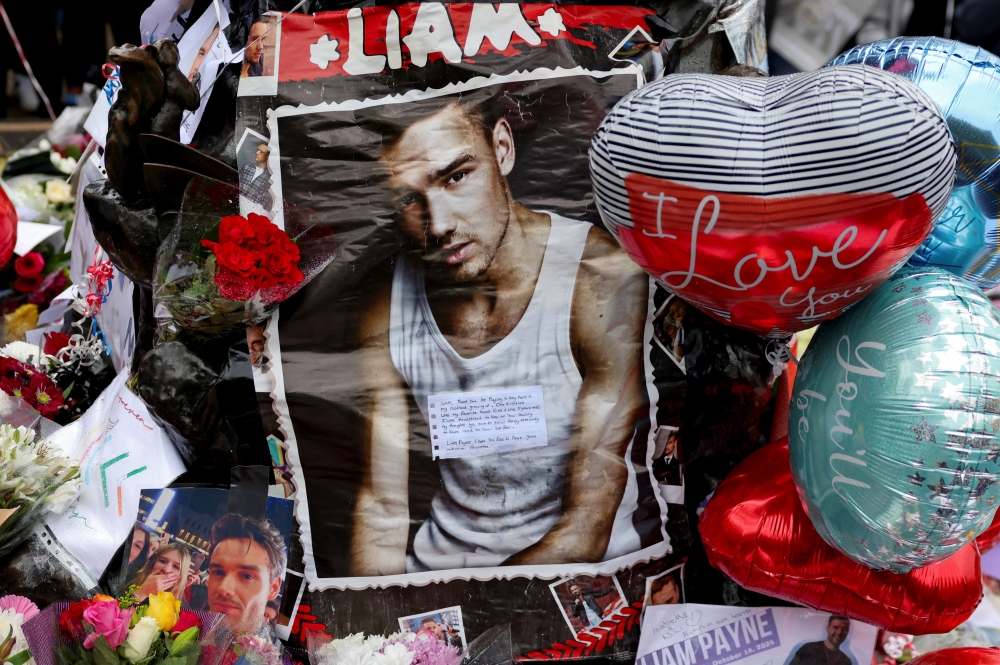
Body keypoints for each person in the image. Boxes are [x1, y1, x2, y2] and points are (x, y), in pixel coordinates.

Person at [351, 96, 648, 575]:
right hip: (438, 575)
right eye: (409, 199)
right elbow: (382, 508)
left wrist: (472, 619)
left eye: (456, 177)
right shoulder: (385, 304)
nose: (440, 225)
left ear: (503, 149)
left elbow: (587, 521)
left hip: (572, 576)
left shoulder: (597, 278)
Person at [206, 515, 287, 633]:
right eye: (218, 572)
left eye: (247, 576)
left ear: (273, 588)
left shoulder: (281, 651)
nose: (223, 588)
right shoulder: (175, 633)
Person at [240, 143, 274, 211]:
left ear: (268, 155)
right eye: (257, 150)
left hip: (251, 212)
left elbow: (267, 202)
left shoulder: (270, 177)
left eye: (261, 151)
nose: (257, 153)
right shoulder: (247, 167)